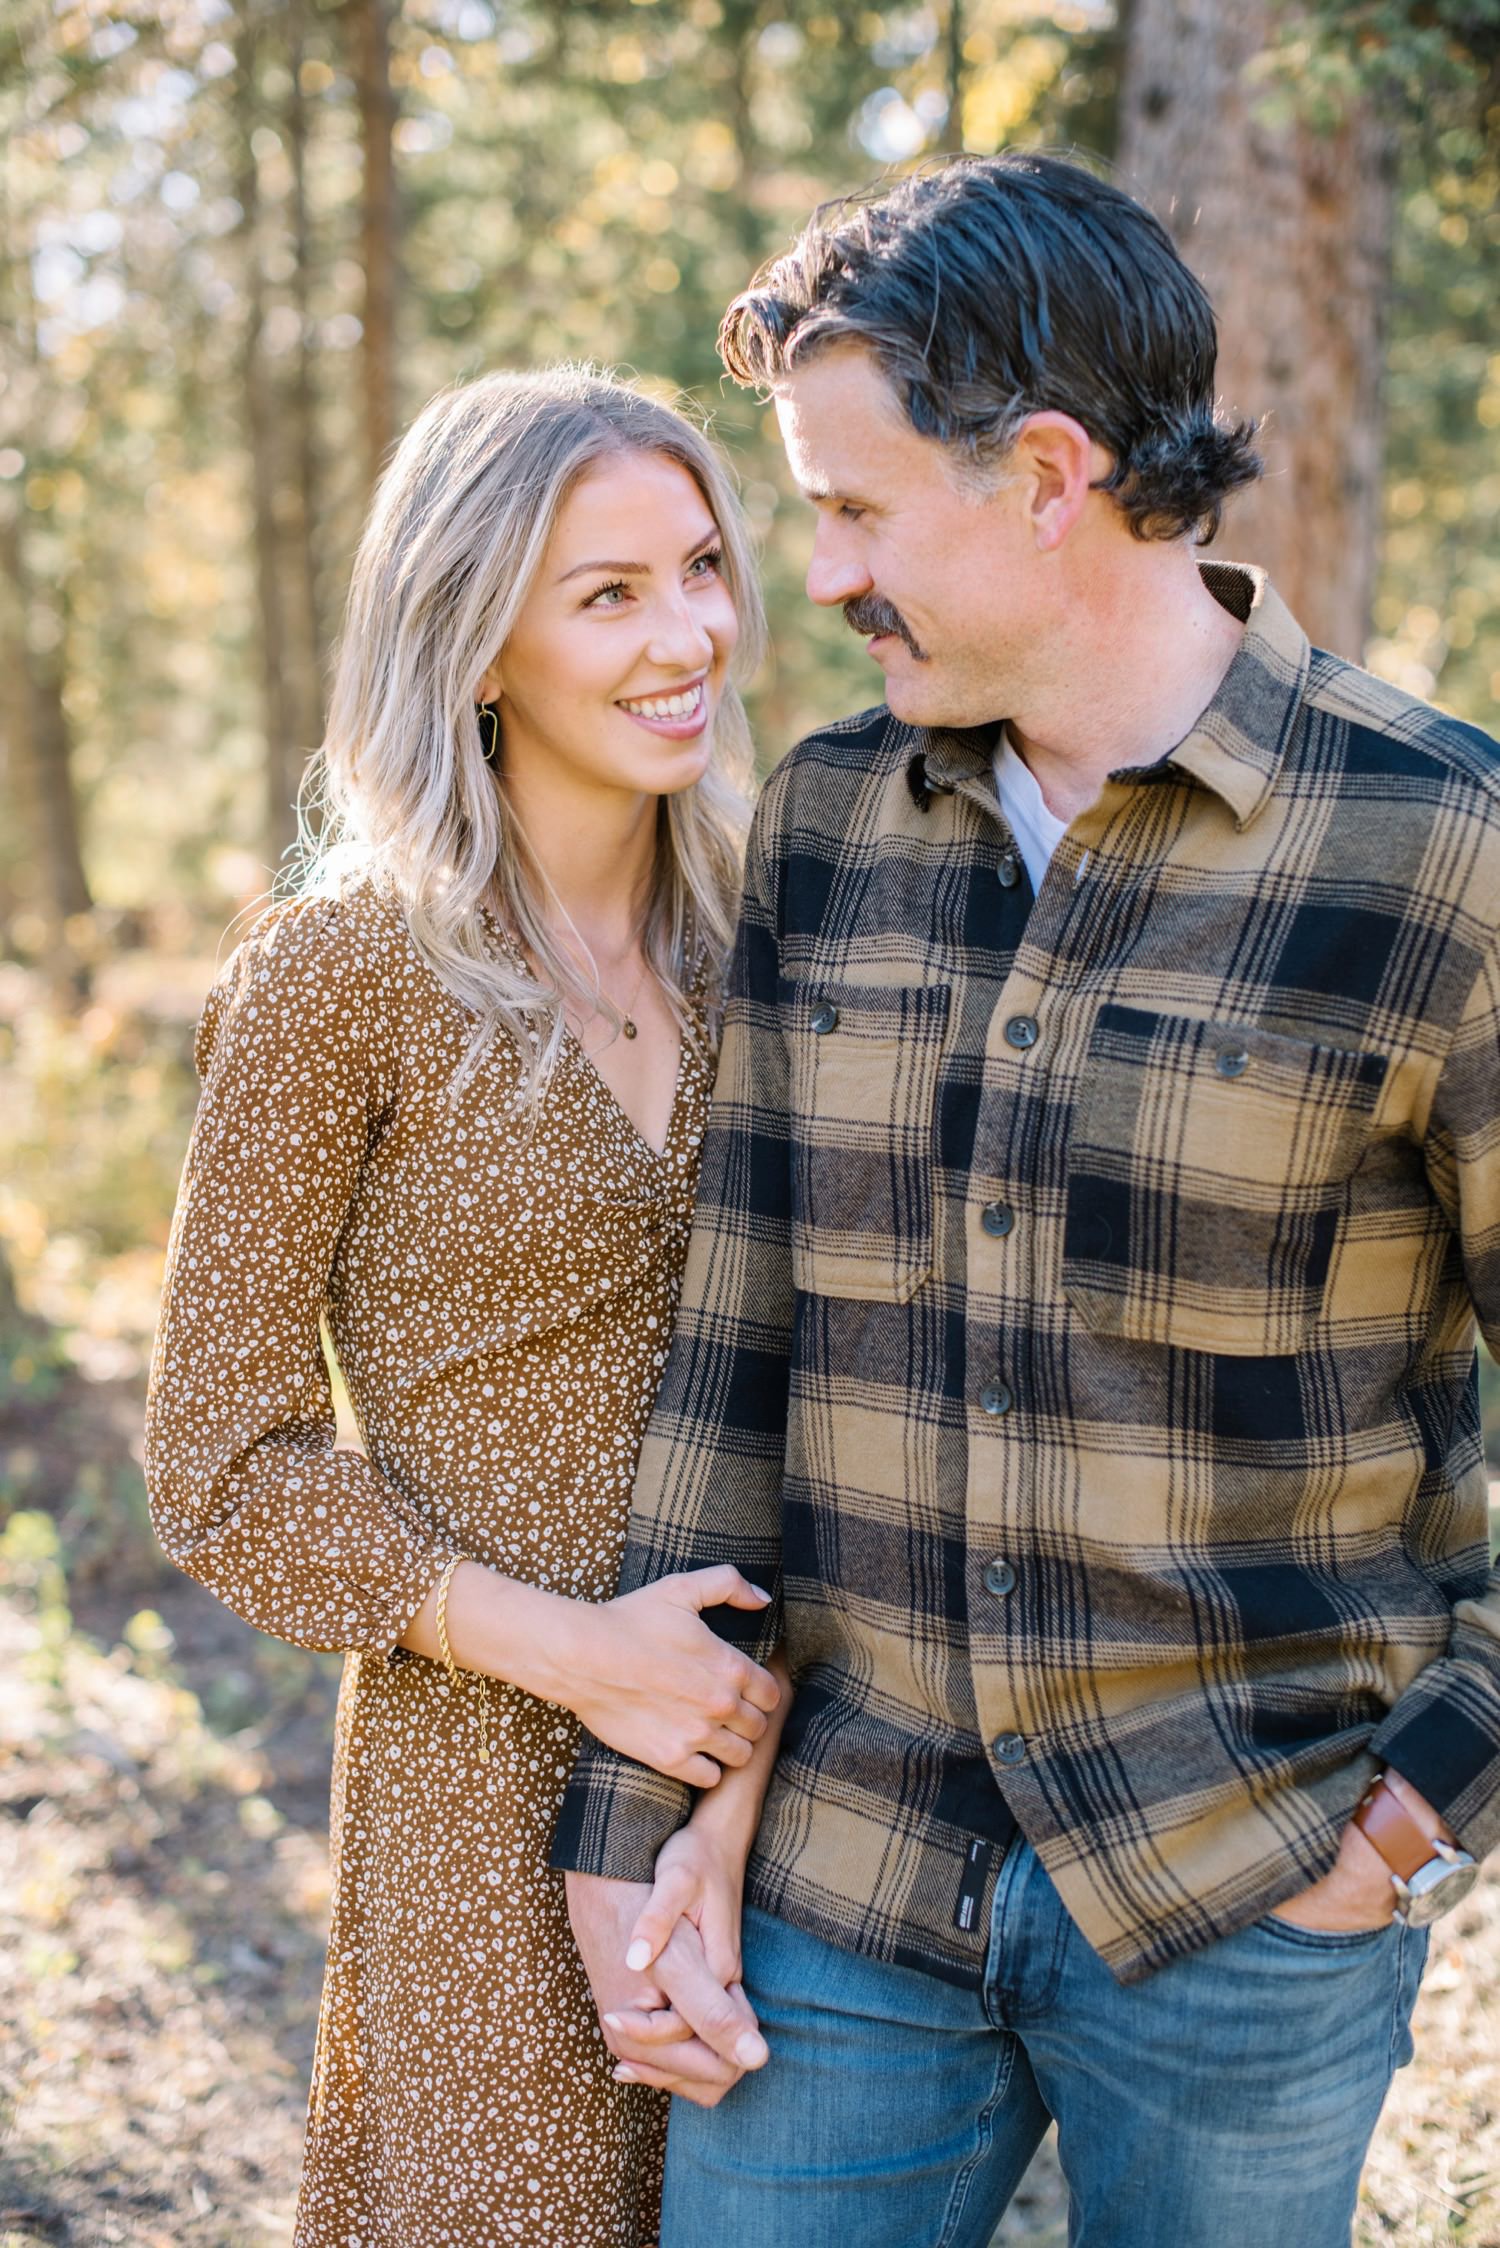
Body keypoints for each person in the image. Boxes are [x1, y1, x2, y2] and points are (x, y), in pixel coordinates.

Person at [552, 155, 1500, 2246]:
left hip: (1247, 1889)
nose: (822, 575)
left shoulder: (1440, 852)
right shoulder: (826, 820)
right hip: (848, 1884)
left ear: (1051, 474)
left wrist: (1429, 1803)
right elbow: (737, 1333)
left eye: (858, 509)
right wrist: (635, 1816)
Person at [143, 365, 788, 2248]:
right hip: (477, 1790)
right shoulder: (337, 981)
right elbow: (220, 1462)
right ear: (476, 639)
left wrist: (722, 1733)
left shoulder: (780, 940)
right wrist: (580, 1653)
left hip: (790, 1760)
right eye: (607, 594)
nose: (685, 637)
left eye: (699, 569)